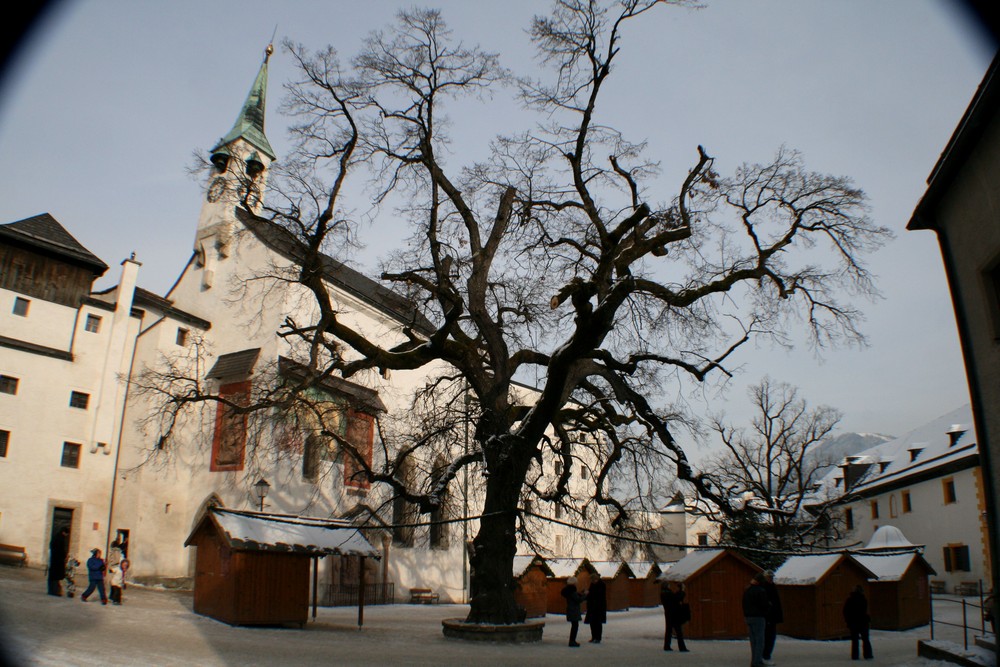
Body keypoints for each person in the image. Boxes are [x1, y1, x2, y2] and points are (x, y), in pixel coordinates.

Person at [743, 573, 770, 667]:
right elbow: (764, 605)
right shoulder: (761, 591)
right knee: (760, 640)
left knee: (753, 640)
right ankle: (757, 661)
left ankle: (754, 660)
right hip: (758, 617)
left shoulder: (747, 590)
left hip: (748, 617)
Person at [843, 585, 873, 660]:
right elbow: (864, 611)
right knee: (865, 639)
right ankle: (868, 655)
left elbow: (845, 611)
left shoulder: (849, 600)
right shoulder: (863, 599)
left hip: (853, 623)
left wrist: (848, 621)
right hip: (863, 622)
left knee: (855, 640)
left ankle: (855, 656)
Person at [660, 579, 690, 652]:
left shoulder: (663, 594)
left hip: (668, 614)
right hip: (674, 614)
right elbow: (676, 598)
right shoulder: (667, 594)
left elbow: (674, 597)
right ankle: (682, 647)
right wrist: (682, 591)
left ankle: (667, 646)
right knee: (678, 631)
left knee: (669, 630)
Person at [761, 570, 783, 665]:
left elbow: (776, 602)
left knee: (771, 637)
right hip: (767, 617)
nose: (771, 578)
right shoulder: (763, 588)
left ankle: (766, 655)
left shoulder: (772, 586)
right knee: (767, 637)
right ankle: (765, 656)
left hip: (772, 616)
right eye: (769, 577)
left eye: (771, 576)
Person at [561, 576, 587, 647]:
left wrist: (580, 594)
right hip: (574, 610)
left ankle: (572, 640)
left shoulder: (568, 591)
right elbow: (578, 600)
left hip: (571, 609)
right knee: (575, 626)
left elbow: (576, 597)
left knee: (574, 625)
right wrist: (585, 595)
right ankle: (572, 641)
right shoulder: (572, 591)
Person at [585, 572, 607, 643]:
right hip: (592, 607)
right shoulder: (592, 584)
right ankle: (593, 637)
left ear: (595, 579)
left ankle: (598, 638)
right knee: (592, 623)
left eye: (592, 580)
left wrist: (589, 594)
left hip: (599, 607)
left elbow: (599, 595)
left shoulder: (602, 585)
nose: (591, 581)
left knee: (598, 623)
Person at [47, 526, 69, 596]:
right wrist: (65, 556)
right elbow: (61, 550)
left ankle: (51, 590)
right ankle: (55, 591)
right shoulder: (61, 539)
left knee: (52, 576)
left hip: (53, 560)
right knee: (56, 577)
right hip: (58, 561)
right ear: (64, 532)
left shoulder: (56, 537)